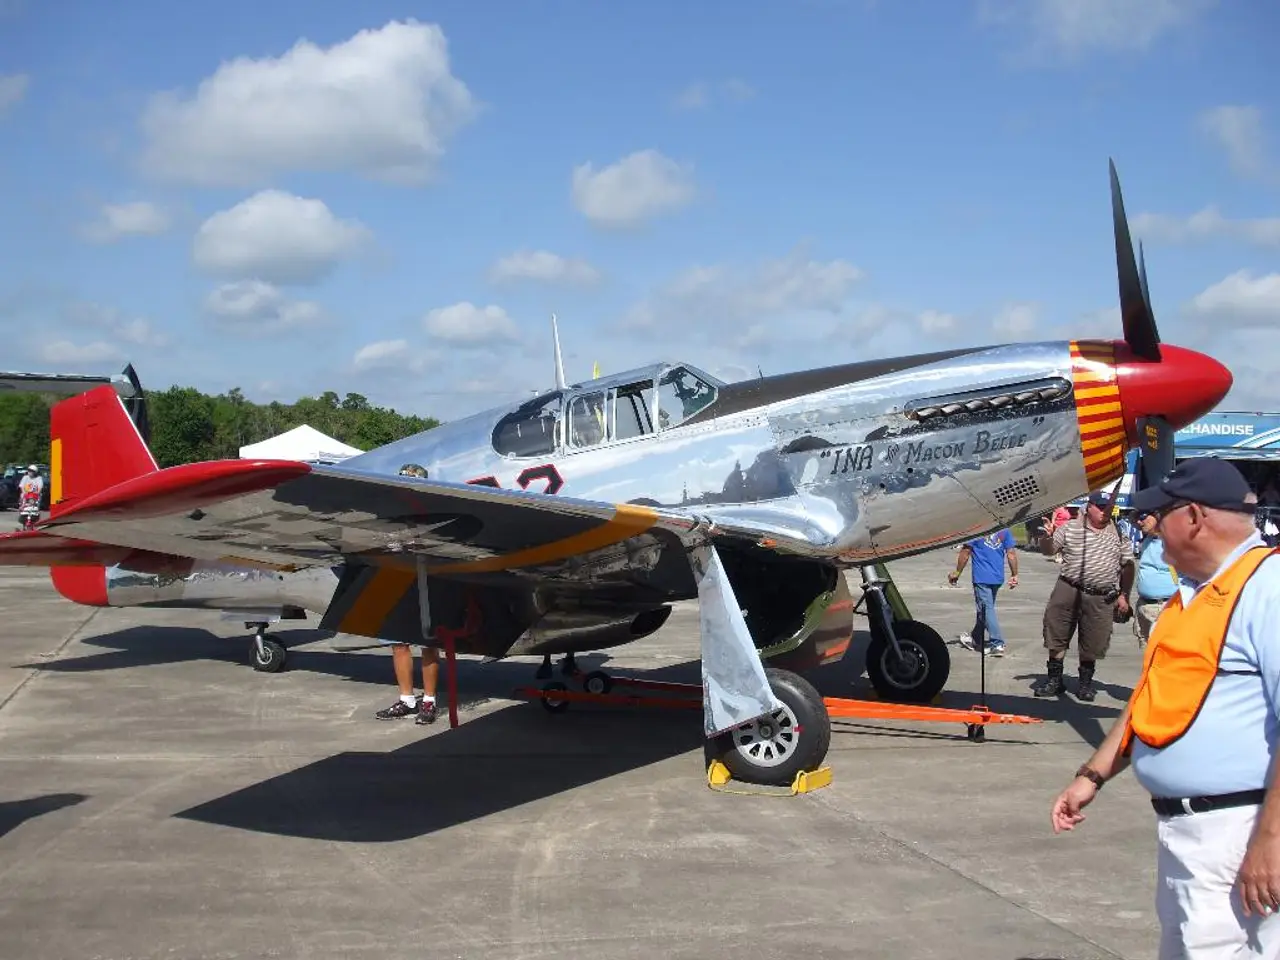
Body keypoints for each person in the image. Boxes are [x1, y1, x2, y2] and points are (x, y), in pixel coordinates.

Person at [1048, 457, 1280, 957]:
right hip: (1188, 837)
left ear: (1194, 517)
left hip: (1240, 833)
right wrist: (1091, 776)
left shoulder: (1268, 589)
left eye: (1159, 515)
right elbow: (1150, 700)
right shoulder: (1189, 599)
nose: (1149, 527)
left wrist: (1271, 841)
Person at [1034, 490, 1134, 701]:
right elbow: (1049, 551)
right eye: (1100, 507)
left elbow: (1128, 566)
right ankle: (1054, 680)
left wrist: (1124, 594)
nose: (1104, 512)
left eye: (1108, 508)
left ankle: (1085, 684)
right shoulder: (1070, 528)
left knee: (1094, 639)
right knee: (1056, 632)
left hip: (1100, 595)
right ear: (1089, 507)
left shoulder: (1117, 533)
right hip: (1068, 588)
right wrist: (1046, 536)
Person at [375, 462, 440, 724]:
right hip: (397, 581)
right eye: (403, 482)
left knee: (428, 644)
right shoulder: (391, 516)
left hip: (427, 583)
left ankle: (429, 701)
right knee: (398, 643)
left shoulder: (433, 513)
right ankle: (406, 699)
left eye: (412, 482)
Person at [948, 528, 1018, 656]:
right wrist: (1014, 574)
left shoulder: (976, 529)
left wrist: (957, 572)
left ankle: (997, 643)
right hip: (997, 577)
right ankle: (975, 638)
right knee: (984, 610)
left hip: (981, 577)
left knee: (987, 610)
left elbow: (966, 552)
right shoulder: (1005, 530)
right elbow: (1011, 553)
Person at [1133, 510, 1177, 648]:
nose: (1139, 522)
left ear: (1157, 516)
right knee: (1148, 655)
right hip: (1145, 607)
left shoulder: (1173, 541)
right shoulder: (1147, 539)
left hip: (1165, 607)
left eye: (1143, 518)